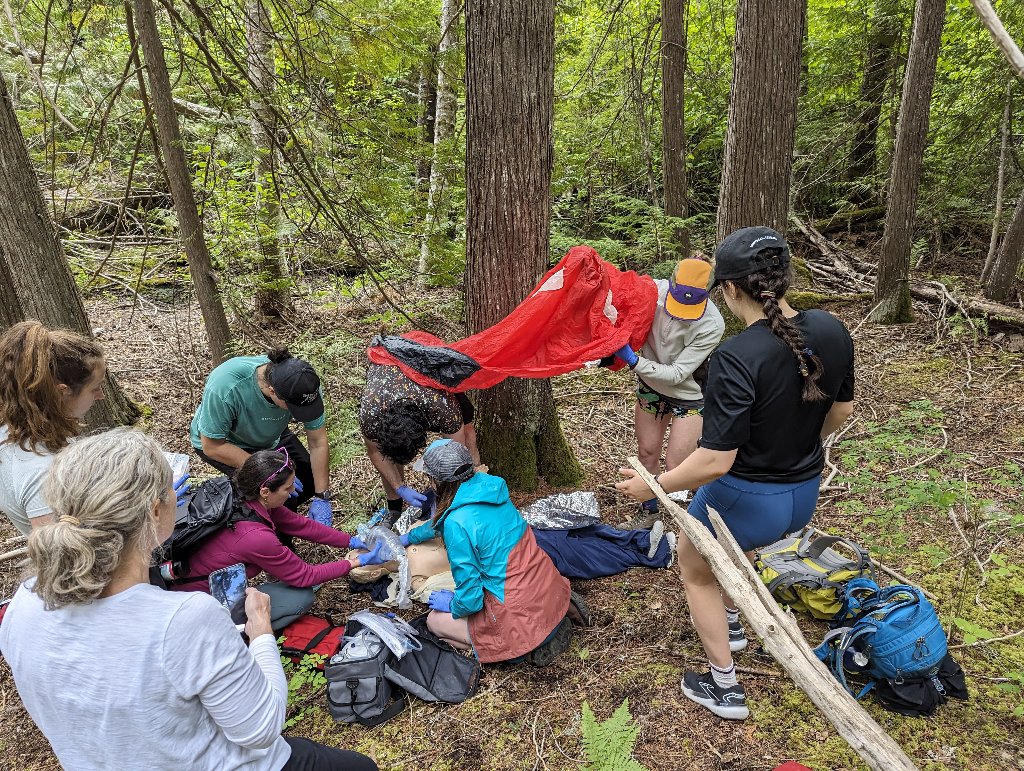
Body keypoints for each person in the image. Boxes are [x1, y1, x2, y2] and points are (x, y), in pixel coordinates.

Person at [0, 428, 377, 771]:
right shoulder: (185, 618)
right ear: (155, 508)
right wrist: (260, 634)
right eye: (172, 489)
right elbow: (262, 729)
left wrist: (348, 543)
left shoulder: (23, 605)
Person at [616, 227, 855, 721]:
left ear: (728, 290)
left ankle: (723, 685)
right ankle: (735, 622)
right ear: (784, 279)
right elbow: (839, 412)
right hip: (802, 492)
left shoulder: (735, 356)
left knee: (695, 569)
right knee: (736, 549)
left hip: (746, 494)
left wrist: (653, 484)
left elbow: (715, 460)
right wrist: (799, 443)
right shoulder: (832, 330)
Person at [170, 449, 388, 629]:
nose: (293, 491)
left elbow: (300, 525)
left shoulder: (240, 493)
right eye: (288, 487)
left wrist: (351, 541)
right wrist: (356, 562)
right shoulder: (255, 537)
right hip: (200, 603)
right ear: (265, 491)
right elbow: (305, 576)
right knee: (301, 598)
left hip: (190, 582)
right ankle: (237, 631)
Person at [400, 439, 573, 665]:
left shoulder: (456, 524)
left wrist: (451, 603)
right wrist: (410, 536)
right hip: (550, 592)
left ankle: (521, 651)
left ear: (437, 481)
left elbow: (471, 600)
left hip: (519, 618)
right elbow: (446, 520)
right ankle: (548, 627)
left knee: (435, 622)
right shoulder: (492, 487)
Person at [612, 258, 725, 529]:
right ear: (671, 284)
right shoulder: (653, 292)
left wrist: (633, 361)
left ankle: (702, 516)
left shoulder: (712, 324)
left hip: (689, 396)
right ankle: (649, 512)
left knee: (677, 465)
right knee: (647, 451)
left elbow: (677, 374)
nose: (680, 312)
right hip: (651, 388)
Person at [190, 347, 334, 523]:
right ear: (272, 391)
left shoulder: (304, 385)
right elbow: (212, 446)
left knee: (307, 478)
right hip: (225, 443)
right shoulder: (227, 385)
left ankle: (283, 516)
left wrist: (322, 496)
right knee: (275, 493)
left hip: (270, 435)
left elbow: (318, 441)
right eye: (294, 408)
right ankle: (267, 531)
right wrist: (267, 472)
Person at [0, 321, 106, 534]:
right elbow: (61, 559)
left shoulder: (11, 428)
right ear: (62, 392)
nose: (101, 395)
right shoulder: (44, 474)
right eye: (94, 388)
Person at [359, 362, 479, 524]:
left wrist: (445, 498)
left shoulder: (444, 407)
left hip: (426, 372)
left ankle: (472, 492)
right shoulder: (370, 413)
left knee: (467, 430)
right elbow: (375, 452)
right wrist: (399, 487)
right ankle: (394, 509)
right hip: (385, 371)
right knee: (389, 459)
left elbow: (457, 453)